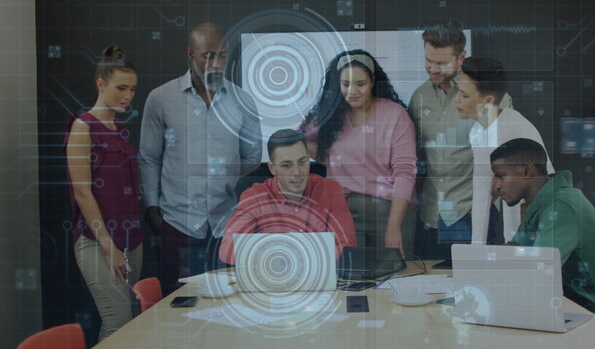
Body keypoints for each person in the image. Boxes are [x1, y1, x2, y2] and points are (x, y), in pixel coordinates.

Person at [139, 23, 262, 295]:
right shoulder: (160, 99)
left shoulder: (243, 101)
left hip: (226, 226)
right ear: (190, 54)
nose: (216, 64)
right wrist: (153, 212)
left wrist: (222, 178)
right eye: (208, 56)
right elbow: (148, 158)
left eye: (222, 55)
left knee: (230, 308)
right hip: (175, 224)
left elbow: (252, 157)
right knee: (177, 309)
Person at [490, 138, 595, 335]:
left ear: (526, 170)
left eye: (501, 176)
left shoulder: (563, 205)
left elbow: (538, 273)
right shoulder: (540, 205)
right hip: (574, 316)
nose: (495, 187)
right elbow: (512, 252)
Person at [409, 20, 513, 258]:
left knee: (473, 291)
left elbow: (507, 157)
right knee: (427, 289)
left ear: (462, 57)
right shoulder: (419, 97)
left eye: (442, 63)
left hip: (472, 214)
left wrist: (489, 199)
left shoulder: (488, 95)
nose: (433, 69)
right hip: (430, 216)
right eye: (428, 60)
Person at [301, 49, 417, 256]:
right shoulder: (332, 115)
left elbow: (405, 173)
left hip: (388, 211)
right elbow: (296, 139)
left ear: (372, 82)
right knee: (348, 281)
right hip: (342, 211)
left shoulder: (395, 115)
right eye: (345, 85)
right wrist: (331, 158)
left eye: (360, 84)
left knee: (393, 281)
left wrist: (393, 226)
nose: (352, 91)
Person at [65, 46, 142, 341]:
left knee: (133, 323)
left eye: (133, 89)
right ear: (101, 85)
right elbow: (83, 193)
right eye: (121, 88)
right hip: (98, 242)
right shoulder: (83, 127)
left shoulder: (119, 127)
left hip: (131, 238)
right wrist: (109, 246)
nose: (128, 96)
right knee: (118, 322)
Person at [219, 129, 356, 264]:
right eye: (286, 165)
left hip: (318, 280)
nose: (297, 172)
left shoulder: (330, 190)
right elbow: (228, 250)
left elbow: (346, 246)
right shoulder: (254, 197)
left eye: (302, 162)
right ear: (272, 168)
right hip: (273, 279)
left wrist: (276, 253)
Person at [456, 57, 554, 244]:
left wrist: (512, 244)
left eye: (465, 95)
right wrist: (476, 250)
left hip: (545, 215)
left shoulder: (511, 126)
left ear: (488, 101)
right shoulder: (476, 132)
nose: (457, 100)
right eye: (458, 92)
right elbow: (481, 191)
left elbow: (514, 197)